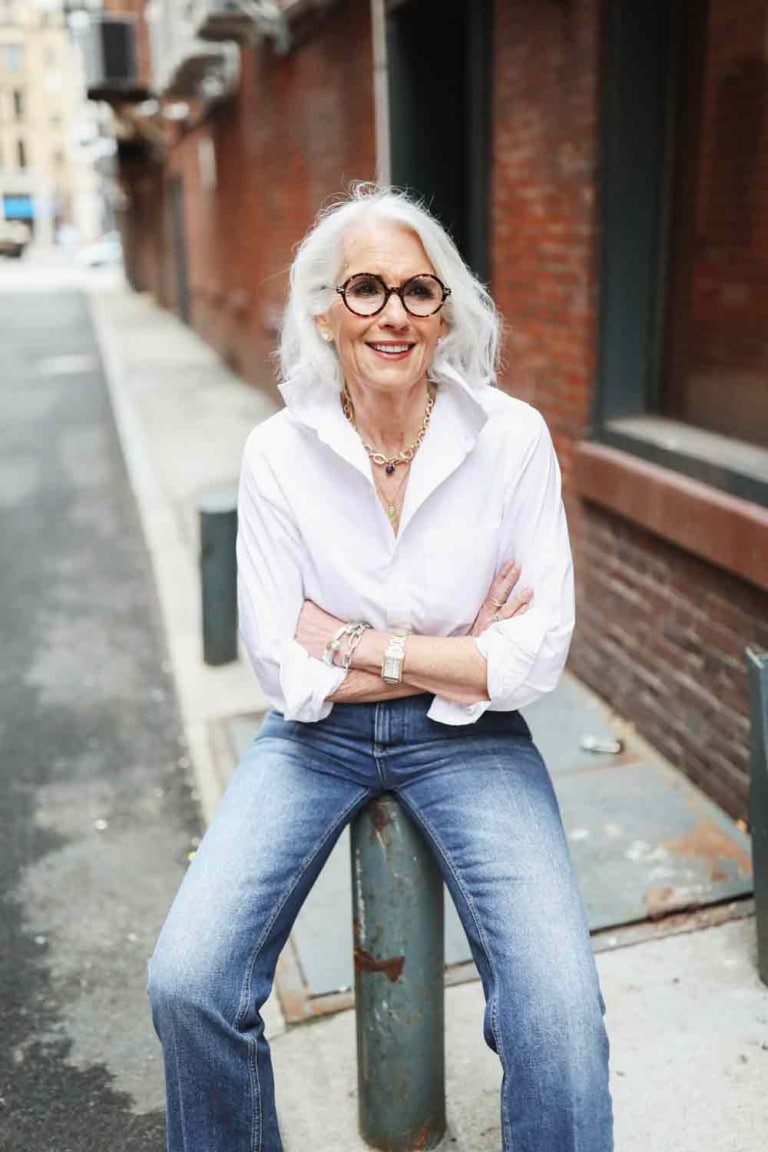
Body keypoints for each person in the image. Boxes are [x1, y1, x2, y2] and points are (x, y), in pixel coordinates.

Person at [147, 183, 614, 1152]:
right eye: (365, 289)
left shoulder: (512, 439)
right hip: (311, 744)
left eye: (417, 291)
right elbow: (282, 669)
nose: (392, 314)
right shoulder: (277, 454)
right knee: (188, 983)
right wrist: (460, 656)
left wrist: (357, 644)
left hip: (472, 744)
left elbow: (537, 655)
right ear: (325, 311)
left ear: (448, 314)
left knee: (560, 1014)